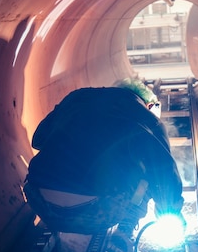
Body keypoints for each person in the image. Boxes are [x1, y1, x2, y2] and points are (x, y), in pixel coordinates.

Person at [22, 79, 184, 243]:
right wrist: (171, 212)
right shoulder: (148, 119)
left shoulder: (76, 97)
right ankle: (125, 231)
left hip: (38, 201)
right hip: (95, 215)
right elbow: (163, 170)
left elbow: (38, 140)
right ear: (148, 104)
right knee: (147, 170)